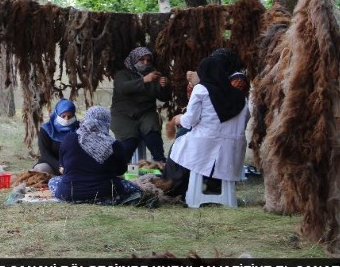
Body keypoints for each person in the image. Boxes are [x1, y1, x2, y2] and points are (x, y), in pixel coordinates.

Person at [163, 55, 250, 199]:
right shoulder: (241, 97)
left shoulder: (201, 89)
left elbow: (190, 121)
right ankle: (215, 187)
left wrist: (178, 118)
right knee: (194, 149)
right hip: (233, 151)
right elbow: (244, 121)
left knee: (178, 146)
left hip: (206, 144)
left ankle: (173, 188)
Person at [48, 106, 142, 204]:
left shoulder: (69, 139)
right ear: (107, 123)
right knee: (136, 189)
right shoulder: (114, 144)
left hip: (69, 194)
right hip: (104, 193)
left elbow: (63, 166)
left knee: (53, 181)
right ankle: (110, 200)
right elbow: (121, 170)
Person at [111, 47, 171, 163]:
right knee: (129, 141)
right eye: (142, 60)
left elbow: (164, 97)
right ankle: (121, 170)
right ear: (134, 60)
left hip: (146, 113)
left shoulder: (154, 75)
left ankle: (160, 165)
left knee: (152, 135)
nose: (145, 63)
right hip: (123, 115)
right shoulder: (122, 74)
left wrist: (164, 86)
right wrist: (143, 80)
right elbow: (123, 88)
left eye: (148, 60)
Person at [32, 99, 79, 175]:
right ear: (57, 114)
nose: (66, 119)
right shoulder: (46, 129)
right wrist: (59, 166)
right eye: (63, 116)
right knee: (41, 169)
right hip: (52, 165)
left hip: (73, 165)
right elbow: (45, 153)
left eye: (69, 116)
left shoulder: (79, 129)